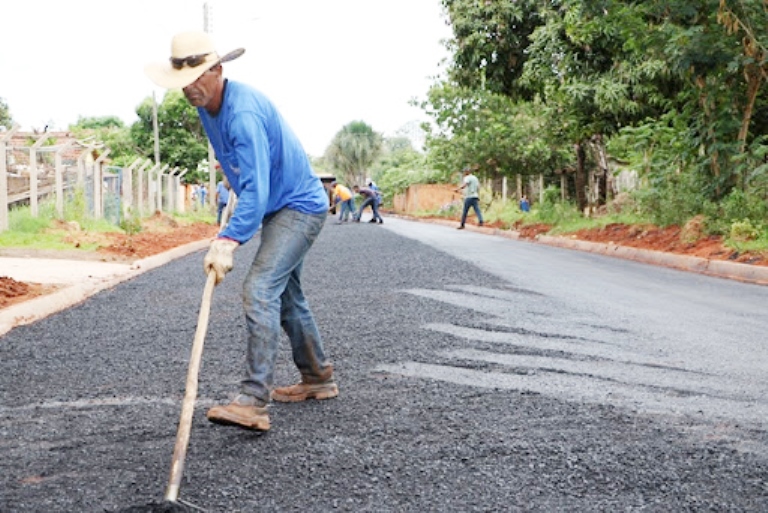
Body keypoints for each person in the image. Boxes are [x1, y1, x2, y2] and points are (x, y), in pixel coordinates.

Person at [146, 31, 337, 432]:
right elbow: (246, 175)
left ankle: (253, 400)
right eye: (184, 81)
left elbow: (258, 191)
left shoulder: (243, 113)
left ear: (218, 70)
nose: (190, 88)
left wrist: (228, 240)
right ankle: (318, 377)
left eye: (198, 76)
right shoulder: (205, 106)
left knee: (260, 289)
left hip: (297, 207)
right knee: (287, 296)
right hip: (279, 205)